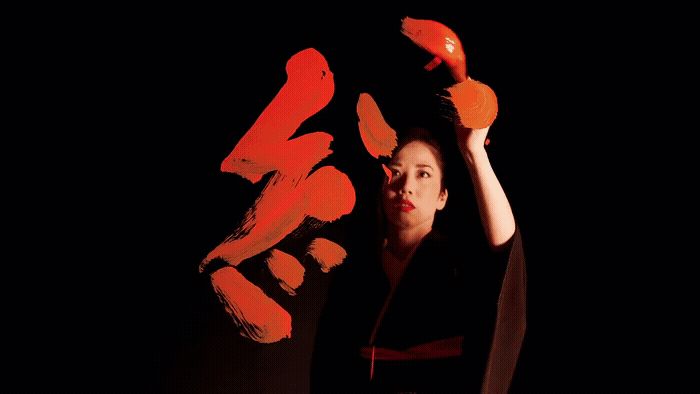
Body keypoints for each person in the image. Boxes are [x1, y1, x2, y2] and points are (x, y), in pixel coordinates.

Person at [310, 22, 525, 393]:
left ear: (443, 196)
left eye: (424, 175)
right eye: (395, 172)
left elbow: (505, 255)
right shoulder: (357, 272)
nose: (406, 185)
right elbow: (328, 368)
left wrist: (473, 154)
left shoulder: (459, 262)